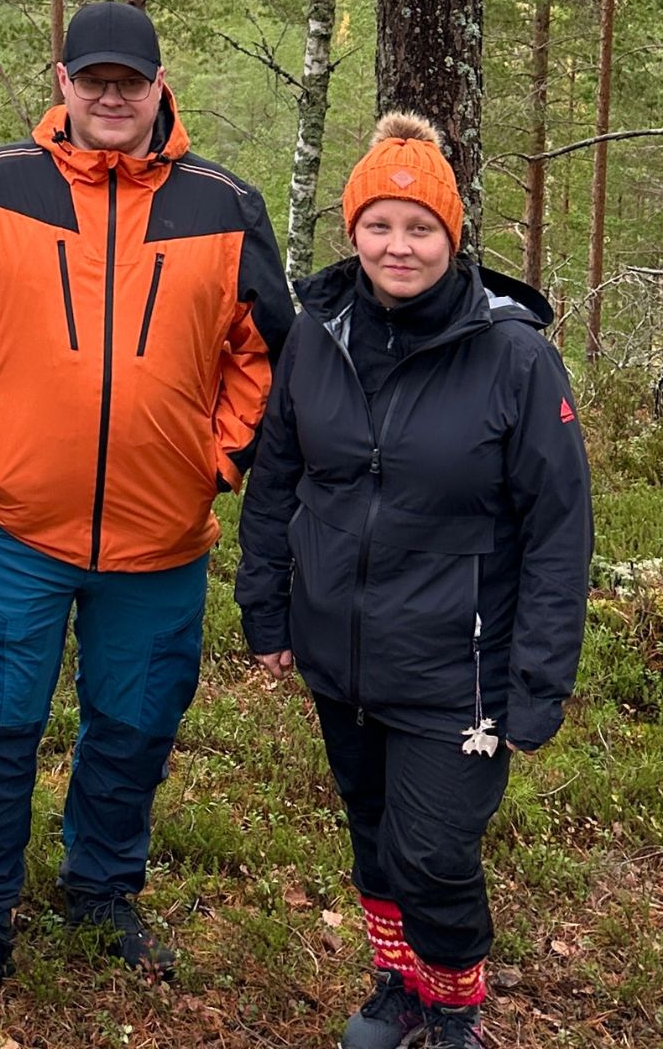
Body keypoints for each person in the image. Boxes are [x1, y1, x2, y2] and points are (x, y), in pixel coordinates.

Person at [0, 1, 294, 1018]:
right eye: (94, 79)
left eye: (131, 81)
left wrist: (216, 460)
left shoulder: (224, 205)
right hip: (11, 525)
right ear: (62, 81)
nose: (112, 97)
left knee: (136, 721)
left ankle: (101, 890)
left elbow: (266, 353)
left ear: (160, 87)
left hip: (161, 537)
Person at [235, 113, 591, 1049]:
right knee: (372, 828)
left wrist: (539, 681)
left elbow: (560, 531)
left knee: (431, 851)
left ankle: (455, 1002)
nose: (400, 246)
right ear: (353, 230)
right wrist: (265, 608)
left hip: (458, 669)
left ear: (452, 235)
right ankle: (398, 983)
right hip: (342, 652)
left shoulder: (516, 356)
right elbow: (276, 481)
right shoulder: (318, 335)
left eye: (421, 227)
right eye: (379, 225)